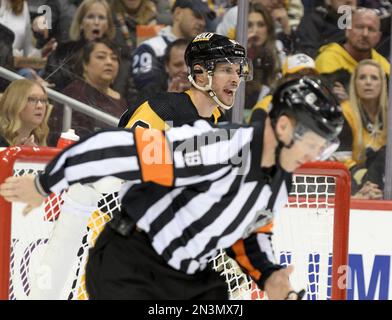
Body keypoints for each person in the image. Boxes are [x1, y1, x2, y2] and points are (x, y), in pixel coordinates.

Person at [0, 76, 344, 300]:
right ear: (284, 127)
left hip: (190, 278)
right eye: (315, 142)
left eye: (324, 148)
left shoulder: (280, 173)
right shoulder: (217, 148)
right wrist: (45, 183)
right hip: (130, 264)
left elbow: (252, 230)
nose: (317, 154)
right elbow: (114, 148)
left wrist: (270, 276)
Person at [119, 33, 250, 130]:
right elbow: (126, 162)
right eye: (227, 70)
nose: (236, 80)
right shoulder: (161, 110)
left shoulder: (217, 116)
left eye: (238, 72)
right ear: (200, 74)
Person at [130, 0, 215, 102]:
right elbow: (145, 93)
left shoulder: (205, 53)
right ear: (178, 13)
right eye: (197, 16)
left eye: (205, 18)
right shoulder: (150, 48)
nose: (202, 23)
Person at [334, 59, 387, 199]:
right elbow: (341, 160)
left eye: (374, 78)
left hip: (382, 179)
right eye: (362, 77)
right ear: (354, 83)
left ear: (383, 84)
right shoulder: (344, 112)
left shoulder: (389, 115)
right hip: (350, 180)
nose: (368, 82)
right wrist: (366, 181)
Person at [42, 0, 116, 91]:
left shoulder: (116, 55)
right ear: (81, 23)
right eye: (90, 17)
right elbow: (50, 82)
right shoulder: (63, 51)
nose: (96, 22)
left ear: (108, 25)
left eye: (101, 18)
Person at [59, 38, 127, 138]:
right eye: (101, 57)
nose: (109, 62)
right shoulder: (73, 94)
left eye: (114, 58)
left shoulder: (120, 99)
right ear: (85, 64)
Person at [315, 8, 390, 92]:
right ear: (347, 30)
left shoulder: (384, 66)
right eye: (359, 27)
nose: (365, 34)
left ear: (378, 37)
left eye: (371, 29)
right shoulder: (328, 59)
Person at [0, 79, 51, 147]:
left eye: (43, 100)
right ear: (14, 103)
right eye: (32, 99)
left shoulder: (41, 140)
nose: (40, 105)